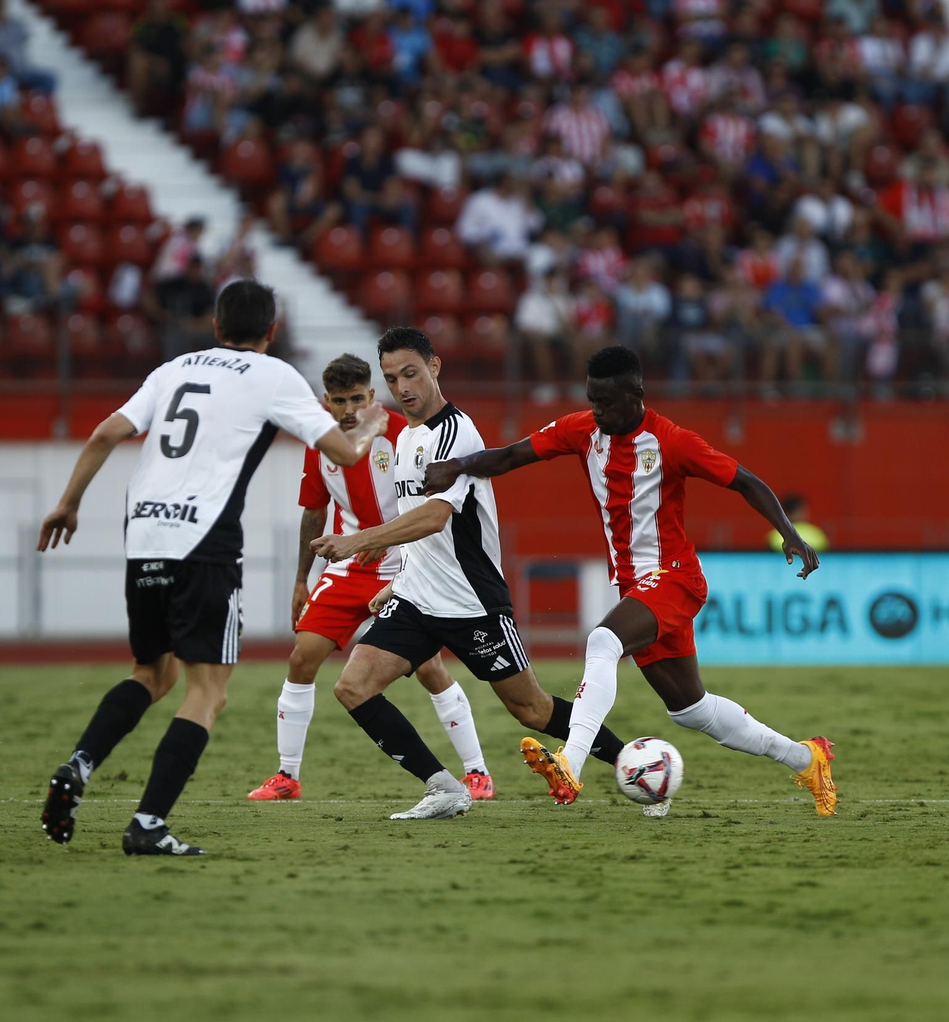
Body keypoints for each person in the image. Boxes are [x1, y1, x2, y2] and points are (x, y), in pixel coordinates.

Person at [34, 281, 391, 856]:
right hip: (205, 542)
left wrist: (68, 502)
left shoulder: (170, 369)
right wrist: (373, 422)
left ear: (217, 327)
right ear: (271, 333)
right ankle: (148, 823)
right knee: (208, 691)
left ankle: (79, 763)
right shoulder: (273, 375)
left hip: (145, 533)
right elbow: (345, 452)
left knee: (151, 672)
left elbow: (106, 433)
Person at [421, 346, 834, 818]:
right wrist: (458, 466)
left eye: (607, 402)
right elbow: (512, 456)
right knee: (691, 709)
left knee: (601, 641)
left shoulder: (672, 442)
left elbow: (745, 481)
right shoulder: (583, 430)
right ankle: (808, 758)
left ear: (635, 394)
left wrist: (790, 534)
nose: (597, 411)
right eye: (592, 400)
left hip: (675, 577)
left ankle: (569, 764)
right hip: (636, 587)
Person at [309, 327, 629, 820]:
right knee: (353, 687)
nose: (403, 387)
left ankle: (631, 763)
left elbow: (436, 516)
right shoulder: (407, 436)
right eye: (393, 378)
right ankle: (444, 787)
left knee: (532, 710)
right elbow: (426, 526)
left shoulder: (457, 433)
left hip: (471, 602)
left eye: (411, 373)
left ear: (435, 367)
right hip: (416, 599)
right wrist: (399, 580)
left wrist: (357, 541)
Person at [247, 354, 493, 802]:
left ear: (371, 395)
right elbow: (314, 511)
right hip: (347, 566)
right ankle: (286, 776)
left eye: (357, 398)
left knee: (428, 667)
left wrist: (385, 537)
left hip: (404, 561)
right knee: (302, 657)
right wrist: (303, 579)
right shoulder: (320, 444)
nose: (349, 410)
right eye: (339, 400)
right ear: (326, 401)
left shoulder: (402, 433)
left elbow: (428, 507)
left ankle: (477, 772)